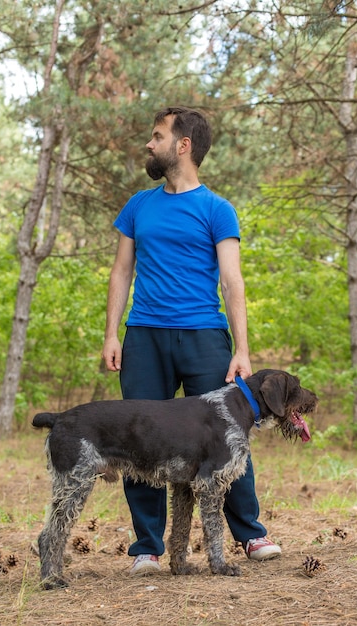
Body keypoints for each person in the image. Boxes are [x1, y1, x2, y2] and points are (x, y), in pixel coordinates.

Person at [102, 106, 281, 575]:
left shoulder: (216, 209)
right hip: (144, 337)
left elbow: (232, 280)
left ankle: (251, 533)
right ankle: (148, 547)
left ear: (183, 146)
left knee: (230, 436)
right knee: (140, 438)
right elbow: (121, 272)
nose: (149, 143)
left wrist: (242, 350)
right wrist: (111, 334)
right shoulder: (138, 205)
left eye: (157, 136)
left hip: (205, 336)